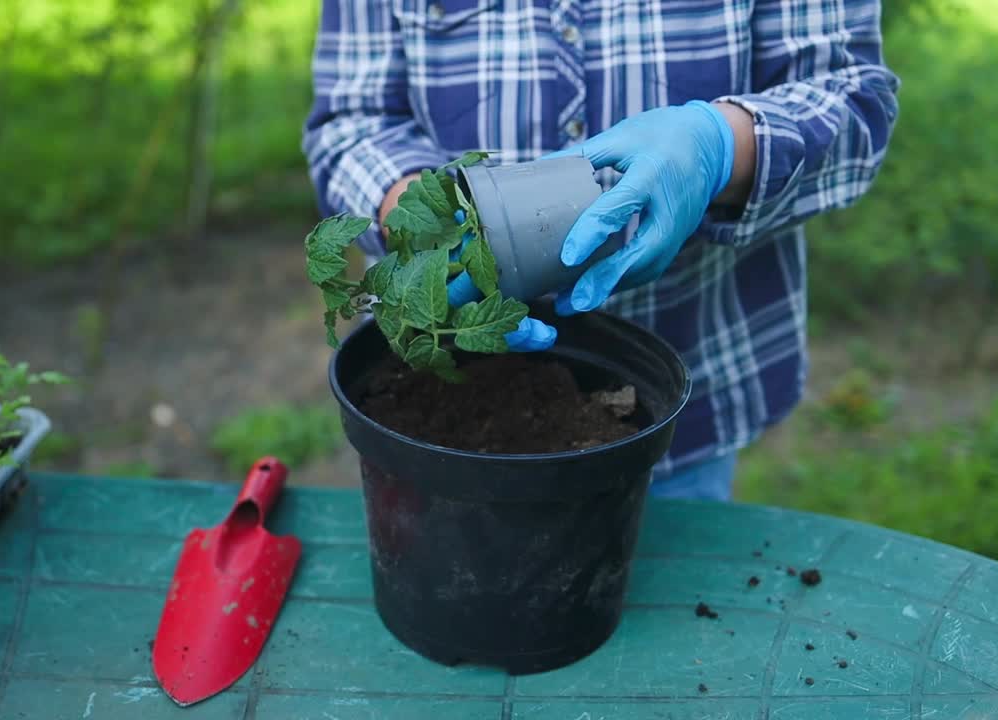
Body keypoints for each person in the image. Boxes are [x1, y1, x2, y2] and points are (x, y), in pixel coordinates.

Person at [303, 0, 899, 500]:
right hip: (438, 414)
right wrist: (421, 220)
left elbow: (853, 99)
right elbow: (351, 121)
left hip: (682, 394)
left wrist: (722, 145)